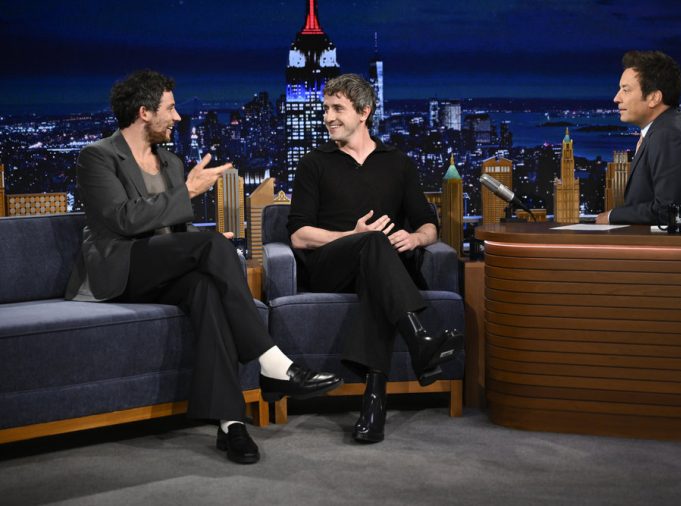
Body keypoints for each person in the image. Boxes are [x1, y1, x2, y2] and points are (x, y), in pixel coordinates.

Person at [65, 69, 342, 465]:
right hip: (121, 267)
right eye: (170, 108)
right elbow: (123, 219)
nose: (177, 117)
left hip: (165, 268)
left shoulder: (171, 162)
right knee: (211, 248)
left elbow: (174, 228)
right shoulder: (98, 156)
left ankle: (231, 423)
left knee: (207, 290)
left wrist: (201, 239)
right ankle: (272, 362)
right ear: (144, 112)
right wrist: (190, 193)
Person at [287, 73, 463, 444]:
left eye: (337, 109)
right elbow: (299, 235)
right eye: (325, 109)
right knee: (372, 243)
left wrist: (414, 238)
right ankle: (420, 339)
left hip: (384, 269)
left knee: (377, 270)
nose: (328, 117)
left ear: (364, 111)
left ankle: (374, 400)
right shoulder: (314, 163)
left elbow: (429, 225)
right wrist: (352, 236)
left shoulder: (397, 162)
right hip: (332, 267)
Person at [596, 50, 681, 225]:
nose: (616, 98)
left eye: (625, 90)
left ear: (654, 98)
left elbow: (669, 210)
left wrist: (611, 216)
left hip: (664, 242)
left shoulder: (668, 135)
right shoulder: (666, 127)